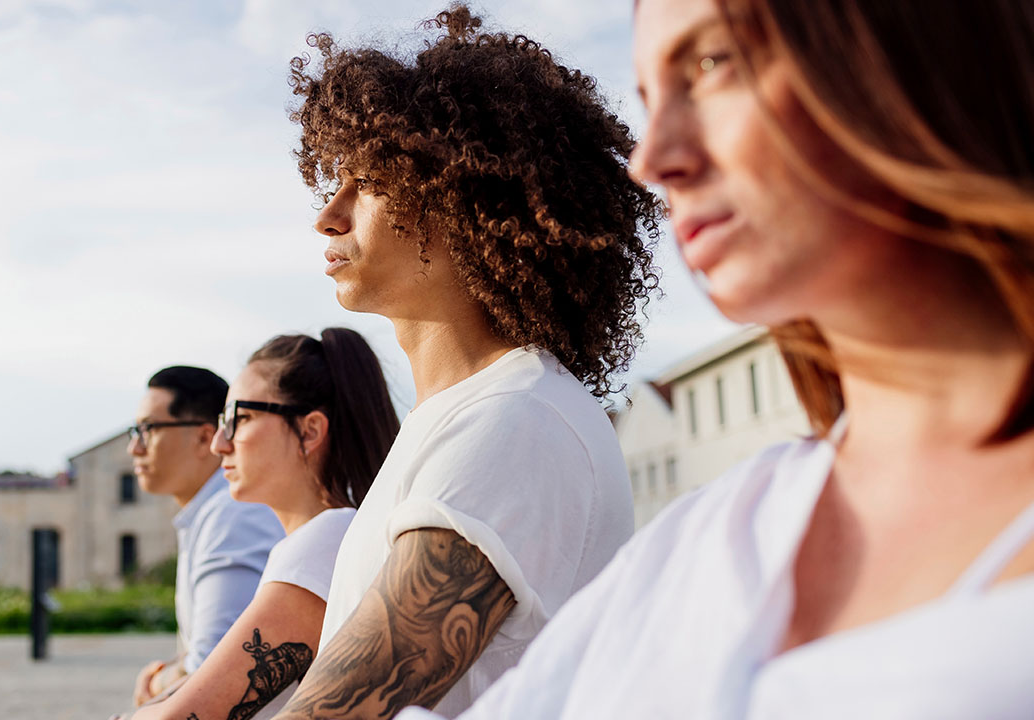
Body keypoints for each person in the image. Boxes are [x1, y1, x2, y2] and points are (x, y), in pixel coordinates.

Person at [399, 0, 1034, 717]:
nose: (651, 161)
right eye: (648, 97)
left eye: (712, 63)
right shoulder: (714, 535)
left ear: (910, 45)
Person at [272, 6, 661, 719]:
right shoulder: (465, 417)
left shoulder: (515, 424)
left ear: (464, 200)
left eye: (367, 181)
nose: (329, 214)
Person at [119, 329, 400, 720]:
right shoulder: (330, 534)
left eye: (240, 418)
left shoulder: (326, 539)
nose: (220, 443)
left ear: (309, 430)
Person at [128, 367, 284, 708]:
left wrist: (157, 681)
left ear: (204, 437)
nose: (134, 447)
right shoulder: (210, 512)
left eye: (147, 429)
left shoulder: (233, 514)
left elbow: (212, 667)